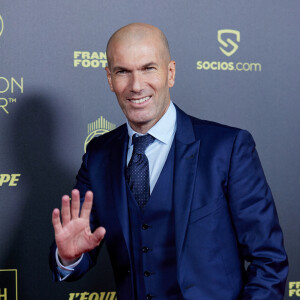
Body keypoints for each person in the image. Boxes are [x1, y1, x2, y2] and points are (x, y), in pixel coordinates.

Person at [49, 23, 288, 300]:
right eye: (123, 71)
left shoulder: (228, 148)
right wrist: (67, 258)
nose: (136, 86)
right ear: (109, 78)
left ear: (170, 73)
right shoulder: (98, 155)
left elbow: (268, 260)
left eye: (148, 68)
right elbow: (80, 243)